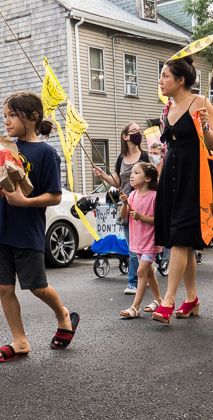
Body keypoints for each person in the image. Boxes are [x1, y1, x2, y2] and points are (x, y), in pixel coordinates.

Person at [0, 92, 78, 362]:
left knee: (37, 287)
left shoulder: (46, 153)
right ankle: (20, 341)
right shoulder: (1, 146)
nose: (7, 121)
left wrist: (24, 201)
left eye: (13, 115)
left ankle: (63, 314)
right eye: (5, 115)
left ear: (33, 116)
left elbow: (55, 195)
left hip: (27, 230)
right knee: (4, 287)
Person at [152, 56, 213, 324]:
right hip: (171, 173)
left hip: (195, 174)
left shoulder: (201, 103)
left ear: (181, 80)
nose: (161, 80)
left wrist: (204, 127)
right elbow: (167, 146)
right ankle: (191, 298)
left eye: (165, 76)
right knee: (183, 240)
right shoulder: (167, 108)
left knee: (180, 236)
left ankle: (168, 300)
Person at [93, 122, 150, 295]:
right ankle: (137, 279)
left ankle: (137, 279)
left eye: (139, 131)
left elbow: (152, 180)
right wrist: (103, 175)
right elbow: (118, 182)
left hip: (142, 206)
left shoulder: (145, 157)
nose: (138, 134)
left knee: (143, 247)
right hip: (125, 204)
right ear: (125, 136)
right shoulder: (120, 159)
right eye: (134, 131)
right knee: (132, 246)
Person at [119, 163, 163, 318]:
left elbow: (160, 220)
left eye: (136, 173)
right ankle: (159, 300)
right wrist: (125, 203)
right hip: (137, 241)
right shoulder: (132, 195)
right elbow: (123, 215)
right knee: (149, 273)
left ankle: (135, 307)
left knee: (141, 271)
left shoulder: (155, 196)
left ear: (148, 178)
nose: (132, 175)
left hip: (150, 242)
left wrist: (141, 217)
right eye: (131, 173)